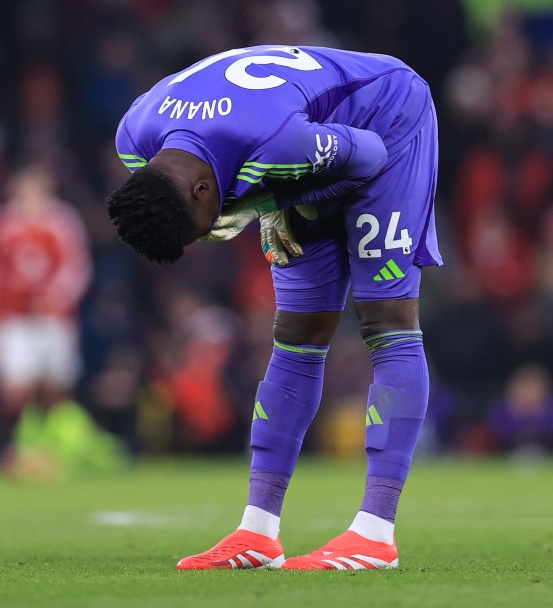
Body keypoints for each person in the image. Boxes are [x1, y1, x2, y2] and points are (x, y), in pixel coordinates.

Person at [107, 45, 441, 570]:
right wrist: (272, 198)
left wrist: (272, 200)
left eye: (206, 226)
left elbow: (370, 155)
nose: (215, 233)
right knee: (297, 330)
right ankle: (258, 532)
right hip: (304, 140)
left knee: (385, 317)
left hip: (388, 118)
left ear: (200, 191)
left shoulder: (274, 145)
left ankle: (375, 532)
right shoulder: (133, 140)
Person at [0, 165, 93, 464]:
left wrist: (56, 297)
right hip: (14, 320)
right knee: (14, 389)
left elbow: (78, 268)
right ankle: (14, 450)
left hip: (54, 319)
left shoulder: (63, 222)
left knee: (55, 389)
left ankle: (49, 449)